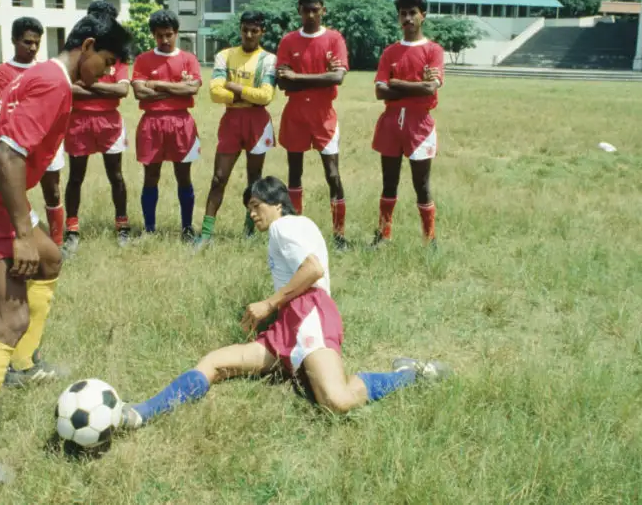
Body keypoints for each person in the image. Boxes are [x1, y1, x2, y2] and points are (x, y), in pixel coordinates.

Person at [0, 11, 132, 487]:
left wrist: (29, 231)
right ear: (87, 47)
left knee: (50, 259)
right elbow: (8, 154)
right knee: (9, 320)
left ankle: (22, 365)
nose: (108, 72)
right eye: (106, 61)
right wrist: (22, 232)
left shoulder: (45, 74)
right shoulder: (52, 82)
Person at [116, 176, 449, 432]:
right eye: (249, 209)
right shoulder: (293, 228)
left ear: (277, 204)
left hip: (309, 314)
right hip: (289, 322)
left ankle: (411, 374)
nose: (252, 214)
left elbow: (313, 269)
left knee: (336, 401)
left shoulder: (284, 227)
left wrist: (268, 303)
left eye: (256, 206)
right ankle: (141, 412)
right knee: (215, 363)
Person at [275, 0, 350, 249]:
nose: (310, 15)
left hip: (323, 115)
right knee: (294, 174)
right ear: (299, 11)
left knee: (332, 174)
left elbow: (337, 77)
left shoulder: (334, 39)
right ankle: (296, 233)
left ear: (323, 11)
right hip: (295, 114)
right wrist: (320, 78)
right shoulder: (289, 41)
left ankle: (339, 235)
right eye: (305, 10)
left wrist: (298, 77)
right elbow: (283, 82)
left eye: (315, 10)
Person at [195, 10, 277, 249]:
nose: (249, 35)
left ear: (262, 32)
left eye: (254, 31)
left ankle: (249, 231)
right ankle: (206, 235)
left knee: (254, 180)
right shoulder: (225, 55)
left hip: (257, 123)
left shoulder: (268, 60)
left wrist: (234, 88)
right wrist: (246, 95)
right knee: (219, 178)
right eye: (245, 30)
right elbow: (215, 92)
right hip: (231, 121)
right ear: (240, 29)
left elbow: (266, 96)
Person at [60, 1, 133, 258]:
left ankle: (122, 225)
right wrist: (103, 90)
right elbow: (68, 87)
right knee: (75, 177)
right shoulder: (78, 51)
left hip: (109, 123)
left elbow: (122, 90)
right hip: (78, 122)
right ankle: (72, 229)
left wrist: (89, 85)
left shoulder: (117, 56)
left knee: (116, 176)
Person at [371, 0, 444, 246]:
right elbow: (380, 91)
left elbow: (430, 88)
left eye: (413, 13)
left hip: (419, 124)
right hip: (391, 122)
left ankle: (429, 239)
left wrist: (397, 83)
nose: (408, 18)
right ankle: (383, 235)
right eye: (403, 14)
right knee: (389, 182)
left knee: (421, 184)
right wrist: (416, 86)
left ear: (423, 16)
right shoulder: (390, 52)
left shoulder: (433, 50)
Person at [0, 17, 66, 247]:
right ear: (14, 40)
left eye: (37, 43)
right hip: (17, 143)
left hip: (47, 141)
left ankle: (57, 242)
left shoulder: (46, 70)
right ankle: (16, 239)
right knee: (14, 191)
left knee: (52, 191)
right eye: (27, 42)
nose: (33, 47)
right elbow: (7, 108)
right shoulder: (1, 72)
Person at [131, 9, 202, 241]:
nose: (165, 39)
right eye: (160, 35)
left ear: (176, 33)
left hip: (182, 122)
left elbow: (192, 88)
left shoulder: (188, 59)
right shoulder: (143, 59)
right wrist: (176, 89)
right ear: (153, 35)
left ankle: (187, 228)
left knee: (184, 176)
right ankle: (150, 228)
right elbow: (140, 93)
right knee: (151, 176)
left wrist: (157, 84)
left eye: (169, 34)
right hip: (152, 123)